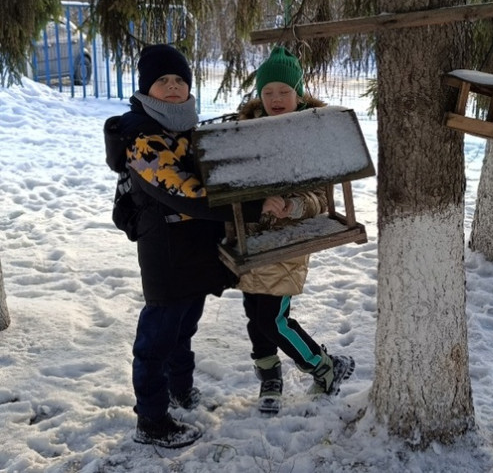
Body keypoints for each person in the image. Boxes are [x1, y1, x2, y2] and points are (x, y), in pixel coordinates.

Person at [104, 44, 287, 448]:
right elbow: (185, 193)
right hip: (165, 253)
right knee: (157, 338)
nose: (172, 87)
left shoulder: (183, 127)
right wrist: (253, 207)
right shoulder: (143, 138)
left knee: (184, 327)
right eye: (163, 81)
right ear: (147, 89)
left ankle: (180, 390)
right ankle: (151, 421)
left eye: (179, 80)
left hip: (195, 247)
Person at [235, 46, 355, 415]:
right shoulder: (245, 130)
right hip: (251, 238)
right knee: (254, 313)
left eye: (284, 92)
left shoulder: (312, 132)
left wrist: (291, 206)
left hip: (289, 241)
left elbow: (320, 197)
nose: (275, 99)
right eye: (268, 91)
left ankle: (323, 366)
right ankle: (270, 377)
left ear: (299, 93)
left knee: (272, 318)